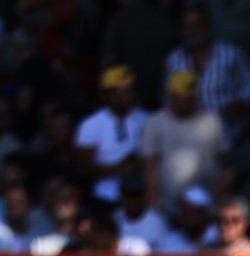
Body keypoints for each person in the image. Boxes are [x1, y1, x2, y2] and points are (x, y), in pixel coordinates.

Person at [140, 70, 223, 218]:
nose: (189, 101)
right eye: (184, 97)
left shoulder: (212, 120)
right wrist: (151, 193)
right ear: (171, 95)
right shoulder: (155, 122)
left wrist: (219, 194)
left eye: (192, 97)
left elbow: (224, 157)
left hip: (206, 203)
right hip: (167, 203)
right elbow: (149, 161)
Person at [76, 67, 143, 207]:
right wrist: (116, 169)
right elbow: (82, 167)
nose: (129, 95)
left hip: (140, 195)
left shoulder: (147, 119)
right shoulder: (90, 124)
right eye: (122, 91)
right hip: (105, 196)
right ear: (107, 95)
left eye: (130, 90)